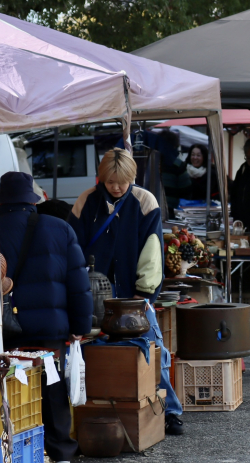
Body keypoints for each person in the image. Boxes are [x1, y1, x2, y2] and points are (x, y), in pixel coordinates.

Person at [68, 148, 185, 435]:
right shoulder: (86, 201)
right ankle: (100, 410)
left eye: (122, 182)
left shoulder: (145, 201)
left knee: (151, 352)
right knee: (94, 357)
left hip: (133, 298)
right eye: (110, 182)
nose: (116, 187)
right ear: (102, 178)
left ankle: (169, 411)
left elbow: (152, 252)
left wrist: (144, 294)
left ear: (132, 177)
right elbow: (73, 250)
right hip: (94, 298)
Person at [0, 171, 92, 463]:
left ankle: (16, 453)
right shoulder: (60, 229)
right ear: (32, 199)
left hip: (7, 328)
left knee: (13, 388)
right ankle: (60, 451)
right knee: (52, 385)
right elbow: (79, 284)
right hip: (51, 328)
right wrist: (80, 326)